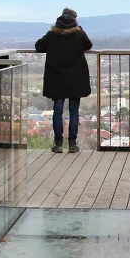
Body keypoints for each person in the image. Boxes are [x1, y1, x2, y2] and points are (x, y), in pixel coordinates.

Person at [34, 8, 93, 153]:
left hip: (56, 78)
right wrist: (80, 28)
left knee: (57, 111)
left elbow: (38, 46)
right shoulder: (79, 34)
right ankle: (72, 143)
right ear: (75, 21)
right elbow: (88, 45)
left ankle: (58, 143)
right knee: (74, 111)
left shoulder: (51, 35)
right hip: (75, 79)